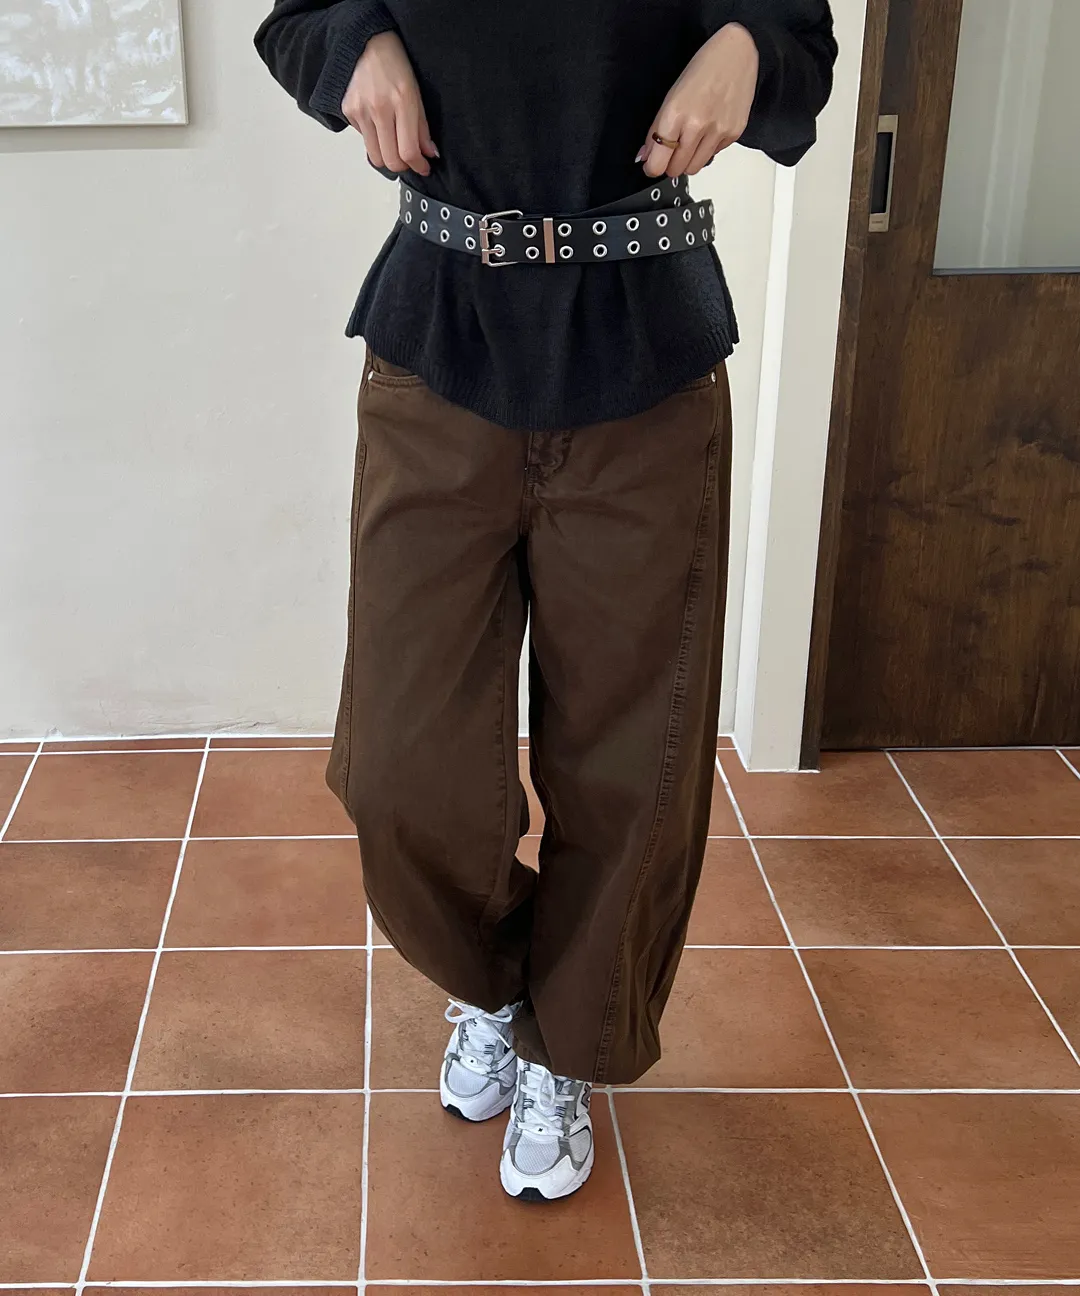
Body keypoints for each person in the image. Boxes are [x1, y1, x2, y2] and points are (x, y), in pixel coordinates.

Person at [255, 0, 836, 1203]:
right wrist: (353, 38)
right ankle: (503, 988)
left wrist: (747, 48)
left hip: (646, 354)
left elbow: (800, 41)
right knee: (399, 770)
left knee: (631, 757)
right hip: (438, 343)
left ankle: (568, 1046)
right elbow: (296, 18)